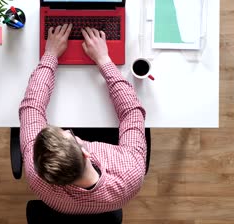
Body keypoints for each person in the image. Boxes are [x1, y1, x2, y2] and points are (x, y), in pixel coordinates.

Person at [19, 23, 147, 215]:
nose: (67, 130)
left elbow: (31, 107)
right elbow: (132, 112)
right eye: (69, 134)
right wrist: (103, 59)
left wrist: (50, 55)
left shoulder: (36, 173)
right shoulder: (130, 171)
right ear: (86, 153)